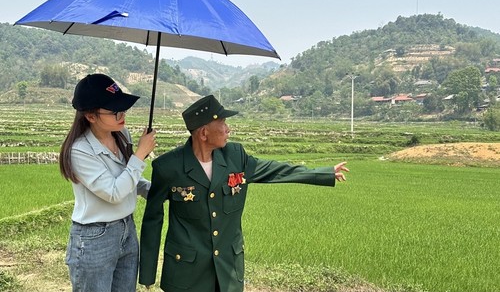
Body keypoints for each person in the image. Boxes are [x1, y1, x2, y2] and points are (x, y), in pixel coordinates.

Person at [139, 95, 349, 292]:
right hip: (186, 273)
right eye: (222, 123)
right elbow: (152, 220)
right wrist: (147, 273)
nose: (228, 129)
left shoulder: (235, 156)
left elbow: (275, 171)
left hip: (228, 271)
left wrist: (325, 172)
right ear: (204, 133)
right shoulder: (168, 167)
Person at [60, 73, 156, 292]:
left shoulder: (121, 134)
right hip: (95, 239)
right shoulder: (80, 151)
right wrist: (140, 155)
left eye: (123, 108)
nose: (122, 115)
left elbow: (128, 178)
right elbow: (114, 192)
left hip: (126, 231)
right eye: (115, 111)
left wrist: (155, 191)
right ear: (91, 116)